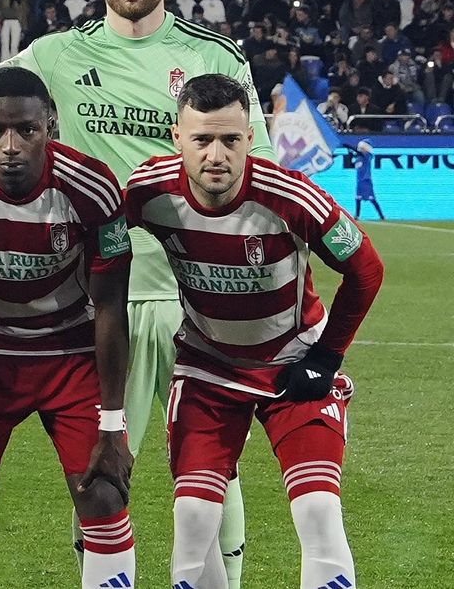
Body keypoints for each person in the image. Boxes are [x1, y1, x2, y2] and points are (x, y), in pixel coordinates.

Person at [0, 0, 274, 586]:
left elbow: (261, 169)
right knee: (100, 469)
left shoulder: (212, 57)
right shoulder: (54, 55)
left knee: (213, 469)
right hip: (100, 301)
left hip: (200, 299)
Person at [125, 73, 384, 589]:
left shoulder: (291, 196)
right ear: (177, 139)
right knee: (193, 518)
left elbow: (366, 270)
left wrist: (327, 357)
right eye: (202, 140)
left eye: (230, 139)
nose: (216, 155)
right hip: (208, 369)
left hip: (295, 365)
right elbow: (95, 237)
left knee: (318, 510)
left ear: (250, 137)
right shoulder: (147, 192)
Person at [0, 67, 136, 589]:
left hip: (69, 351)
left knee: (103, 492)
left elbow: (110, 308)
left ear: (49, 126)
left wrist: (111, 426)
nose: (10, 146)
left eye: (26, 130)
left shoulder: (93, 186)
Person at [352, 140, 384, 219]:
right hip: (359, 181)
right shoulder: (358, 158)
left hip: (366, 181)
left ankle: (382, 216)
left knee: (372, 199)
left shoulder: (367, 156)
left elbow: (364, 154)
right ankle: (357, 215)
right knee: (358, 198)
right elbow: (353, 165)